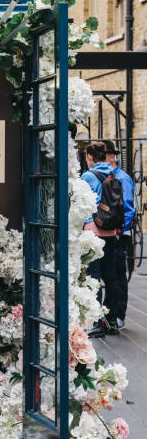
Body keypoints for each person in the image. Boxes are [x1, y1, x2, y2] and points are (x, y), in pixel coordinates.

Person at [81, 141, 120, 338]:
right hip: (111, 232)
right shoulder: (112, 174)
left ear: (89, 157)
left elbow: (81, 203)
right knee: (110, 276)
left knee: (94, 278)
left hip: (93, 231)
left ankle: (96, 321)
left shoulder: (88, 176)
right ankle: (112, 318)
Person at [104, 140, 135, 330]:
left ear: (111, 156)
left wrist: (118, 232)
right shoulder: (106, 176)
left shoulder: (122, 178)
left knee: (118, 274)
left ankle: (119, 315)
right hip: (109, 232)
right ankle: (109, 313)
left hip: (119, 234)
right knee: (110, 274)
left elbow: (129, 209)